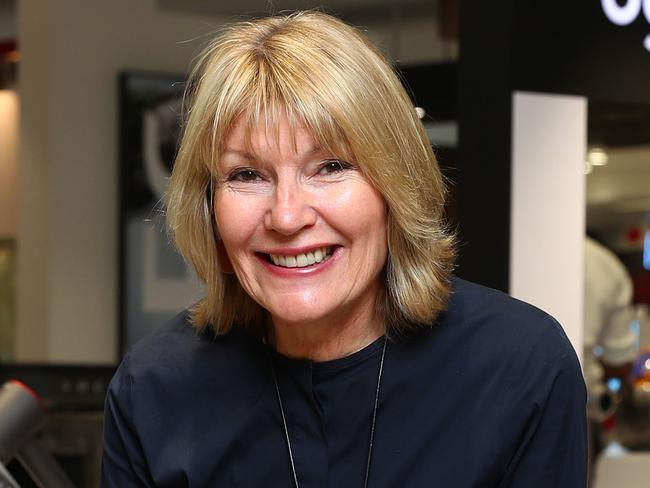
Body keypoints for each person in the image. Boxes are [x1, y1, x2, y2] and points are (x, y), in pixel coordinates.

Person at [101, 11, 587, 487]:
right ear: (208, 207)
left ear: (395, 187)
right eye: (247, 175)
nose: (287, 217)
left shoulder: (519, 368)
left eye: (330, 167)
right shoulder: (153, 390)